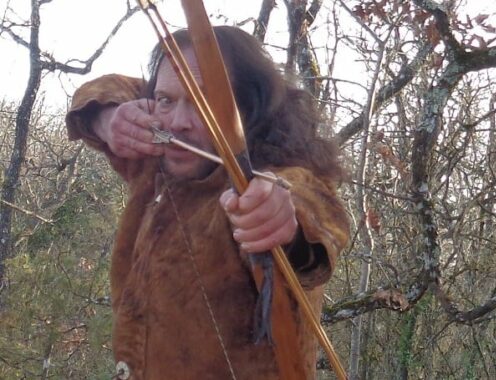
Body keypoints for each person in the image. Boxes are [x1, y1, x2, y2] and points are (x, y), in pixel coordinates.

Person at [64, 26, 349, 379]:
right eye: (167, 100)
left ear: (248, 108)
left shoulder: (268, 179)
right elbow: (103, 91)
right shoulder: (156, 158)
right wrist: (109, 119)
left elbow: (310, 207)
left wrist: (280, 216)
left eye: (204, 101)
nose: (180, 123)